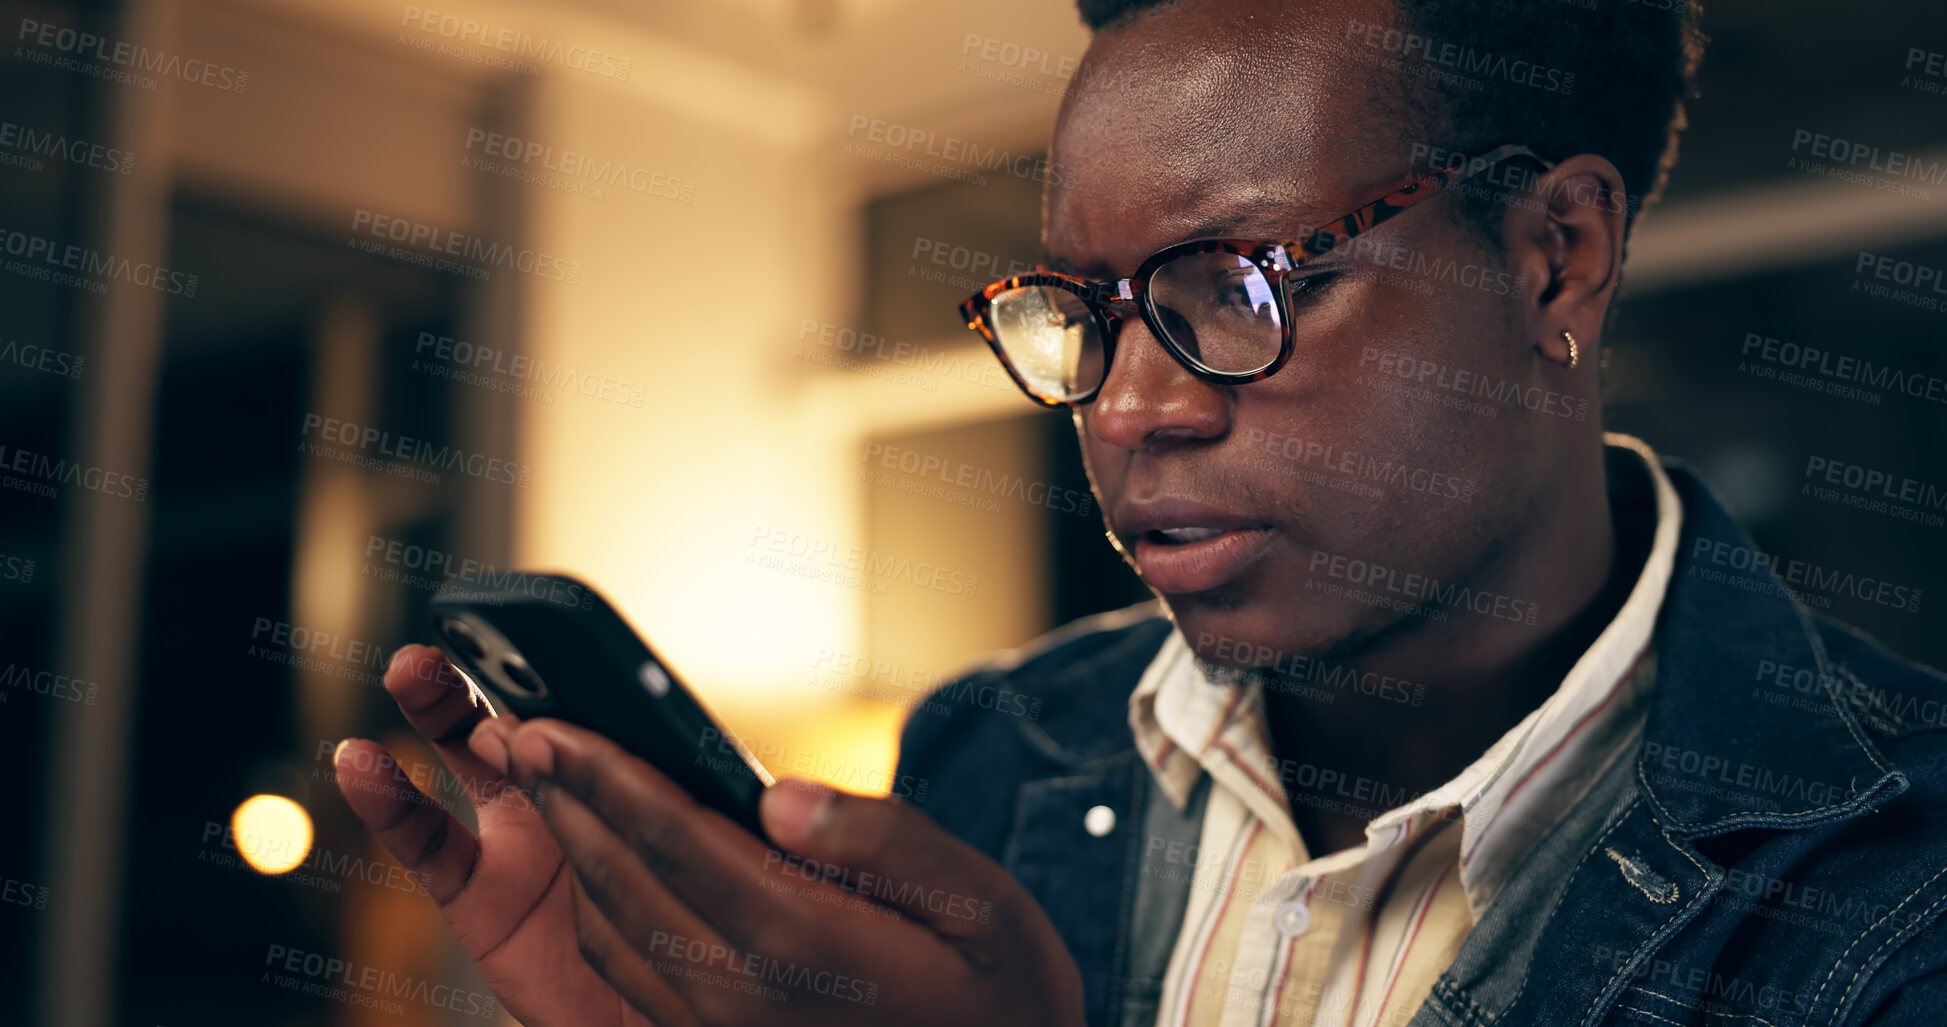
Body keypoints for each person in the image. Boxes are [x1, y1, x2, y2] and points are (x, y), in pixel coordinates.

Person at [335, 0, 1947, 1024]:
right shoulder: (997, 748)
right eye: (1085, 309)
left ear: (1554, 259)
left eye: (1236, 285)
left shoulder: (1900, 892)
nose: (1126, 406)